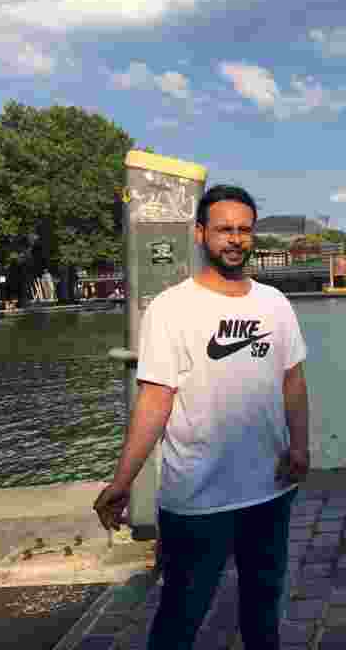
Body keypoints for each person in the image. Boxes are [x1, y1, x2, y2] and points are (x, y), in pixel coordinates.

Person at [92, 184, 310, 650]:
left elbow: (293, 382)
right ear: (200, 234)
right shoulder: (172, 308)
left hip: (270, 491)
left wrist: (301, 446)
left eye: (244, 230)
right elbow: (154, 400)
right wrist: (122, 479)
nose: (235, 239)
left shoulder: (275, 304)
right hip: (197, 499)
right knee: (182, 613)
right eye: (224, 229)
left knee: (263, 607)